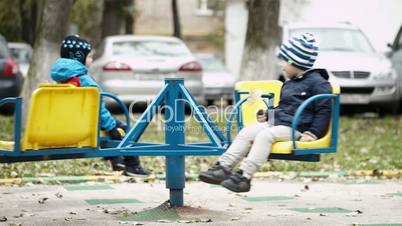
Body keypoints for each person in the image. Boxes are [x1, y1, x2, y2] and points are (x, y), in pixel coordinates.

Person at [199, 33, 332, 192]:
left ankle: (244, 176)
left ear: (294, 62)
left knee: (265, 136)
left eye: (284, 61)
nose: (281, 65)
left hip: (297, 129)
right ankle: (222, 168)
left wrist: (313, 133)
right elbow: (285, 108)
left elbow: (324, 109)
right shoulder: (290, 84)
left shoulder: (318, 83)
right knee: (247, 131)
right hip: (279, 124)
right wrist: (269, 114)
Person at [50, 35, 149, 177]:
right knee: (125, 130)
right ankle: (133, 166)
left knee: (111, 128)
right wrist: (111, 127)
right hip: (88, 124)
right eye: (89, 56)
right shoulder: (84, 81)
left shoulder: (61, 78)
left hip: (72, 122)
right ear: (79, 56)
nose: (91, 60)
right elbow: (98, 109)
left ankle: (117, 160)